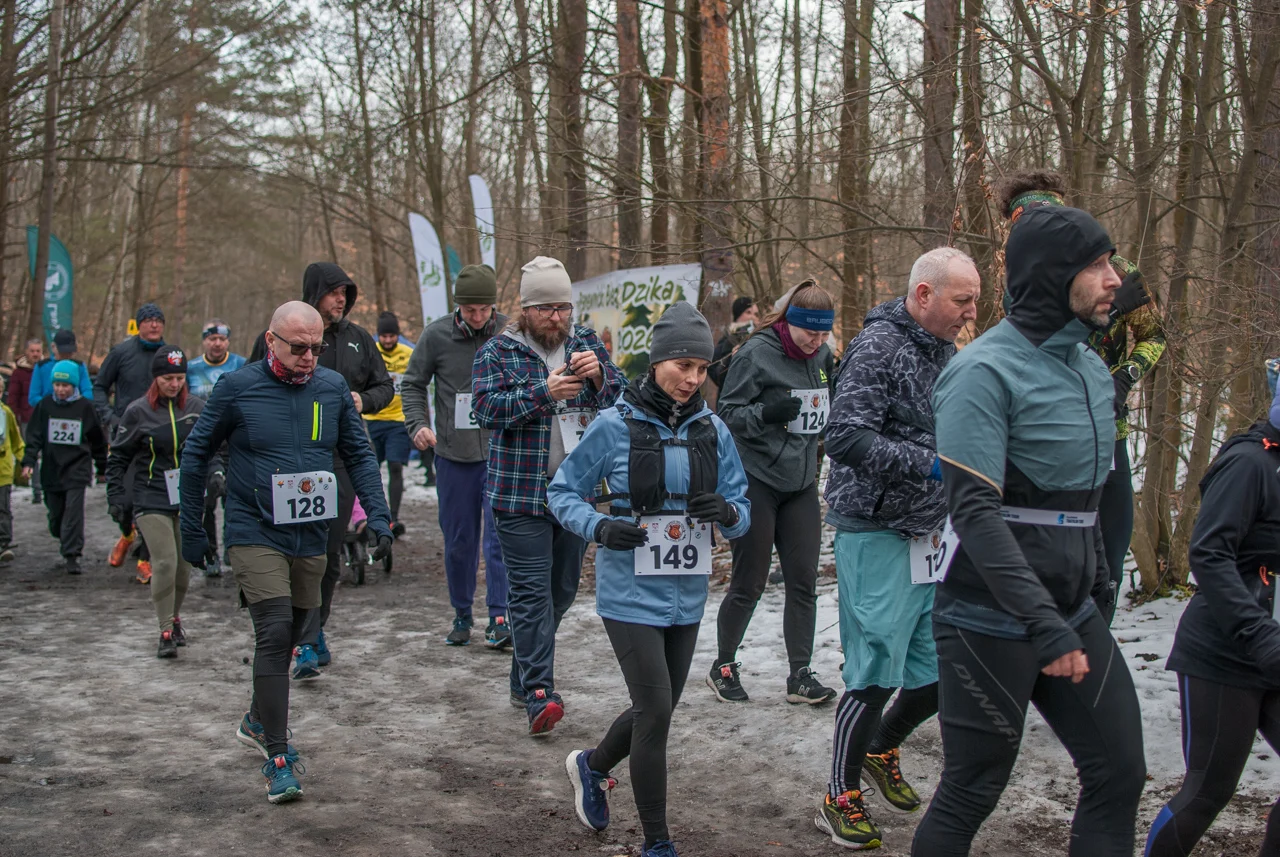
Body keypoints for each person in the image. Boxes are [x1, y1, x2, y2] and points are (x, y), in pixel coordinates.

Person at [912, 204, 1146, 856]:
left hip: (1071, 610)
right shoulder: (982, 371)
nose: (1115, 280)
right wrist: (1044, 622)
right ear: (1051, 274)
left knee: (1120, 772)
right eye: (1097, 265)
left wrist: (1096, 580)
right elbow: (975, 513)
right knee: (971, 789)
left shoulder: (1092, 371)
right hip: (988, 617)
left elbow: (1086, 499)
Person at [549, 302, 751, 857]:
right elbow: (562, 493)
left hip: (687, 596)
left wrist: (727, 512)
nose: (692, 378)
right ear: (657, 361)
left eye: (701, 368)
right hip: (629, 595)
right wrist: (599, 527)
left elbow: (743, 509)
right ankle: (657, 842)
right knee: (656, 711)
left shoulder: (713, 429)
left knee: (653, 710)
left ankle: (592, 767)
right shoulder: (614, 425)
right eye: (682, 365)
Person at [179, 301, 393, 804]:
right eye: (298, 347)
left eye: (316, 347)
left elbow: (359, 454)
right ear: (271, 340)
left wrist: (378, 516)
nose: (309, 357)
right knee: (274, 632)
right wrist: (192, 528)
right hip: (254, 528)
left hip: (311, 532)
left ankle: (258, 718)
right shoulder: (237, 388)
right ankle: (278, 756)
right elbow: (195, 453)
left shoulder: (331, 388)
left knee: (298, 630)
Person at [815, 248, 981, 849]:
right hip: (876, 529)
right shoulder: (878, 347)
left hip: (932, 535)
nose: (971, 312)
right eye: (963, 300)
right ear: (924, 295)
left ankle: (880, 748)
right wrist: (932, 466)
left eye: (975, 300)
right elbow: (843, 436)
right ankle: (838, 795)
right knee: (875, 671)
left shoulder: (948, 352)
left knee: (938, 671)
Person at [997, 170, 1165, 621]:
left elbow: (1156, 336)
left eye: (1049, 213)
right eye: (1025, 219)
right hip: (1046, 429)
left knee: (1109, 554)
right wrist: (1106, 316)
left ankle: (1095, 642)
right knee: (1052, 555)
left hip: (1109, 427)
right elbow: (1032, 343)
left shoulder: (1117, 270)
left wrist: (1125, 376)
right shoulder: (1017, 277)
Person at [473, 255, 626, 735]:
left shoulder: (585, 343)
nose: (556, 317)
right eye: (546, 309)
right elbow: (484, 409)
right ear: (526, 309)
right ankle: (540, 692)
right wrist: (544, 393)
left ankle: (522, 675)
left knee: (561, 592)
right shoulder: (499, 351)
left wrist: (600, 376)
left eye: (563, 307)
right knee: (531, 593)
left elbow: (622, 403)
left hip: (575, 495)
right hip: (519, 494)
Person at [1143, 389, 1280, 856]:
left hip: (1274, 645)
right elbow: (1209, 554)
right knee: (1208, 790)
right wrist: (1257, 633)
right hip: (1225, 650)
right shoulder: (1249, 464)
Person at [250, 263, 394, 678]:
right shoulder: (279, 335)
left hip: (338, 459)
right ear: (314, 292)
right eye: (334, 292)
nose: (341, 300)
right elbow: (249, 383)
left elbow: (385, 386)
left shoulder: (358, 339)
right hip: (285, 459)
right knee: (291, 552)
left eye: (346, 293)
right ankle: (296, 636)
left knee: (327, 554)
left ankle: (313, 633)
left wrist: (362, 401)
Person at [710, 278, 837, 705]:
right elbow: (726, 414)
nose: (816, 342)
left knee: (803, 580)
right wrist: (767, 413)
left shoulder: (822, 354)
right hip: (757, 479)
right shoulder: (756, 353)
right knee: (750, 581)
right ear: (789, 322)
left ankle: (800, 674)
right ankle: (723, 665)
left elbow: (825, 400)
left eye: (823, 334)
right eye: (809, 333)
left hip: (800, 482)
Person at [402, 264, 511, 648]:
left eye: (484, 309)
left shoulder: (511, 333)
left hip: (503, 454)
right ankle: (462, 613)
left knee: (500, 539)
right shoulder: (436, 336)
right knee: (459, 540)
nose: (477, 317)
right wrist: (417, 424)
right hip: (453, 456)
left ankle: (500, 616)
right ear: (457, 306)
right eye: (469, 310)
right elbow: (412, 384)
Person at [106, 348, 206, 658]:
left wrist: (216, 474)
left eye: (179, 378)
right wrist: (115, 495)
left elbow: (213, 448)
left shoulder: (197, 408)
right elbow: (118, 457)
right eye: (167, 379)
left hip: (186, 495)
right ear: (156, 378)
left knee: (184, 565)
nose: (174, 384)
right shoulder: (137, 412)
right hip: (150, 495)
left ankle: (174, 618)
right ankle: (164, 631)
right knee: (164, 561)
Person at [96, 303, 168, 581]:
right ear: (139, 325)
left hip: (159, 438)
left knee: (154, 502)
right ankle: (127, 534)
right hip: (126, 437)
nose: (154, 324)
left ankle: (145, 559)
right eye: (148, 320)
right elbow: (100, 387)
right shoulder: (121, 353)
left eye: (158, 320)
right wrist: (109, 417)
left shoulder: (168, 354)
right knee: (124, 502)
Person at [21, 360, 108, 575]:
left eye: (65, 385)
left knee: (73, 513)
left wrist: (102, 468)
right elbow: (34, 436)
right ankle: (62, 534)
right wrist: (29, 461)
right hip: (52, 468)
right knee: (56, 516)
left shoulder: (85, 407)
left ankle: (72, 554)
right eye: (57, 385)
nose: (61, 390)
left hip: (77, 468)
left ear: (74, 385)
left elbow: (97, 440)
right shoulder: (45, 406)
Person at [186, 320, 245, 577]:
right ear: (204, 341)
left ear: (228, 341)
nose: (217, 343)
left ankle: (233, 546)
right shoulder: (191, 369)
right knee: (206, 503)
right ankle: (211, 554)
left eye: (222, 339)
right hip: (205, 441)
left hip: (233, 442)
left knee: (234, 498)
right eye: (212, 339)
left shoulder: (241, 365)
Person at [366, 311, 413, 535]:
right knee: (369, 470)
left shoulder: (409, 354)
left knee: (395, 466)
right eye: (383, 336)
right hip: (372, 419)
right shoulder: (370, 352)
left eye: (391, 336)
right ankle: (371, 515)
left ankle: (394, 517)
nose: (387, 340)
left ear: (398, 335)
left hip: (398, 421)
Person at [8, 338, 41, 503]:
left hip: (45, 417)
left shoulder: (45, 369)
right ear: (26, 352)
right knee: (31, 453)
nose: (35, 354)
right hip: (27, 418)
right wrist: (15, 417)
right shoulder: (19, 373)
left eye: (38, 351)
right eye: (32, 351)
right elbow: (13, 397)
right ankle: (37, 489)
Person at [708, 296, 757, 390]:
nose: (752, 317)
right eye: (748, 312)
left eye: (755, 314)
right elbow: (714, 367)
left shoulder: (754, 336)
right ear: (739, 313)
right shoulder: (730, 338)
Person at [0, 399, 24, 562]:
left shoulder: (6, 413)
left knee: (2, 508)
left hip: (2, 470)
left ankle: (3, 543)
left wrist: (26, 461)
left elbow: (16, 440)